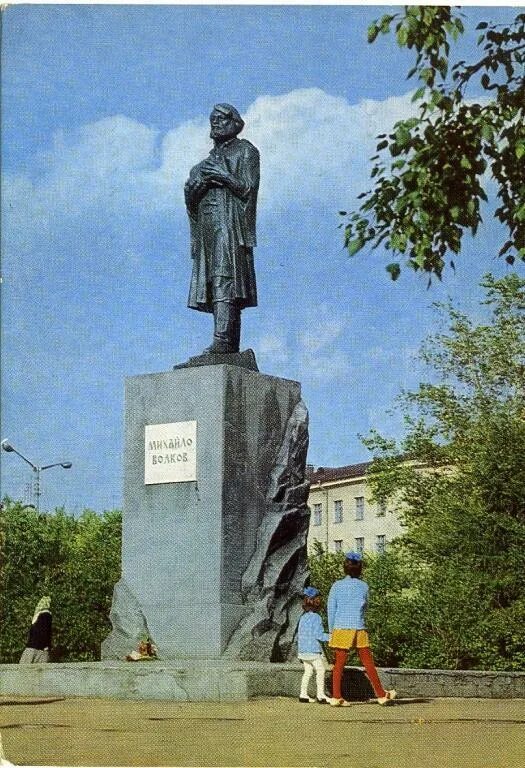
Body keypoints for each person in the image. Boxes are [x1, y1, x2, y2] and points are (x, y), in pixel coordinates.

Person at [184, 103, 260, 355]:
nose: (215, 123)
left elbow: (248, 189)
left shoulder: (245, 151)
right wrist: (192, 194)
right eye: (212, 119)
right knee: (214, 279)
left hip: (230, 226)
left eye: (220, 118)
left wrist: (223, 175)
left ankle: (224, 340)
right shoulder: (202, 165)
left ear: (234, 122)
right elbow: (191, 203)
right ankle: (226, 343)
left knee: (225, 277)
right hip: (208, 227)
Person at [327, 552, 396, 706]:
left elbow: (331, 610)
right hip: (359, 626)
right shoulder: (364, 586)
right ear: (360, 569)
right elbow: (366, 607)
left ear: (345, 567)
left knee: (338, 664)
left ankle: (336, 697)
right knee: (368, 663)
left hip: (341, 627)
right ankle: (381, 694)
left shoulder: (336, 586)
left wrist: (331, 631)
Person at [296, 586, 330, 703]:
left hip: (302, 651)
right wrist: (331, 637)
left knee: (308, 672)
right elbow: (319, 635)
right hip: (313, 651)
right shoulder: (317, 617)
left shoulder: (303, 617)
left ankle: (303, 694)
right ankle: (320, 695)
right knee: (320, 670)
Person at [19, 596, 52, 663]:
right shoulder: (47, 615)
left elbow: (34, 632)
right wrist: (46, 646)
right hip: (40, 649)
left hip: (30, 648)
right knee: (39, 672)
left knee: (22, 671)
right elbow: (46, 632)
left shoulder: (37, 615)